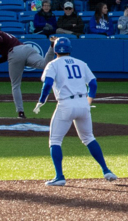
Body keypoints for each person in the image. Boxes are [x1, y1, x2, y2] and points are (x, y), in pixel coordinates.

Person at [33, 38, 118, 186]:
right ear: (69, 49)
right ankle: (106, 170)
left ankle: (59, 176)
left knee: (55, 140)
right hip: (83, 103)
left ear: (55, 51)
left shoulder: (53, 64)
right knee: (89, 138)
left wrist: (41, 100)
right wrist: (89, 100)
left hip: (66, 103)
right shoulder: (81, 63)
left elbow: (47, 84)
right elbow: (93, 83)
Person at [0, 19, 56, 118]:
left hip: (15, 53)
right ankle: (52, 46)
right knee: (45, 64)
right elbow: (7, 54)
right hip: (26, 49)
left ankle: (21, 112)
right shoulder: (5, 34)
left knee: (15, 85)